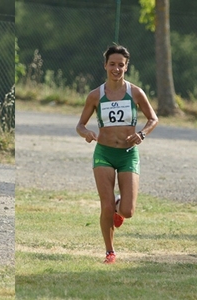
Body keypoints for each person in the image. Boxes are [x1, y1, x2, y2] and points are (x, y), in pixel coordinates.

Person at [76, 45, 158, 264]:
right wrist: (87, 133)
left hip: (128, 154)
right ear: (105, 65)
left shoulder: (135, 92)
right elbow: (80, 125)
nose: (116, 68)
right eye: (112, 64)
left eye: (120, 65)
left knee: (128, 210)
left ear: (126, 66)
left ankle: (119, 205)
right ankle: (110, 251)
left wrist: (142, 134)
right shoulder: (95, 95)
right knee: (105, 205)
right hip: (103, 153)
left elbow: (153, 119)